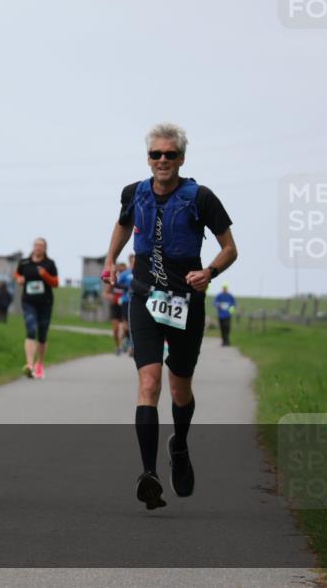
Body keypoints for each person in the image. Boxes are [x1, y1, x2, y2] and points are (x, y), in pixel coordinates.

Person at [101, 123, 237, 510]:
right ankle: (149, 474)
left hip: (185, 299)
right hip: (144, 297)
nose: (162, 161)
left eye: (170, 155)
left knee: (179, 389)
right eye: (156, 154)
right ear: (148, 158)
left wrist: (209, 272)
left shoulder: (201, 197)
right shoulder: (134, 192)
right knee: (149, 383)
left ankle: (179, 446)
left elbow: (230, 248)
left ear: (181, 158)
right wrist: (110, 258)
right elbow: (123, 224)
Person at [15, 238, 59, 380]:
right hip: (28, 302)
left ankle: (40, 363)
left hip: (45, 303)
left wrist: (45, 275)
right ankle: (29, 365)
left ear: (45, 248)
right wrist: (19, 279)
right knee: (31, 329)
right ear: (33, 247)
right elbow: (17, 274)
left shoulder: (49, 264)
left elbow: (56, 283)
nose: (38, 248)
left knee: (42, 334)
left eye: (41, 246)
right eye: (36, 245)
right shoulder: (24, 262)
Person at [116, 254, 135, 356]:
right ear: (129, 262)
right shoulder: (125, 274)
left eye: (135, 261)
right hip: (126, 301)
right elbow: (116, 283)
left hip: (137, 302)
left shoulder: (141, 272)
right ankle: (126, 341)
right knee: (125, 324)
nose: (133, 263)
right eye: (132, 261)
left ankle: (132, 346)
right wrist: (126, 287)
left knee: (134, 324)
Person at [106, 262, 127, 354]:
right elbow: (105, 293)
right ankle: (118, 347)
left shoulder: (128, 280)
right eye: (119, 271)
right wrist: (109, 296)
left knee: (124, 327)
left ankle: (123, 344)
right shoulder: (114, 281)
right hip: (115, 305)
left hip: (124, 305)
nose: (121, 273)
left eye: (123, 271)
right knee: (115, 329)